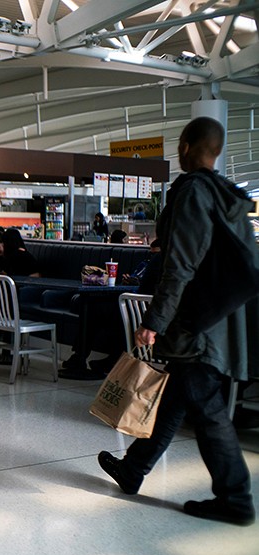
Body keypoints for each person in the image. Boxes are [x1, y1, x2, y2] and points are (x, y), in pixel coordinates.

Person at [98, 116, 259, 527]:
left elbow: (180, 266)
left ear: (186, 146)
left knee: (207, 410)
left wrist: (155, 320)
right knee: (176, 399)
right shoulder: (229, 197)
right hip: (220, 322)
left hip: (195, 326)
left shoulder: (193, 192)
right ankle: (133, 470)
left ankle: (236, 498)